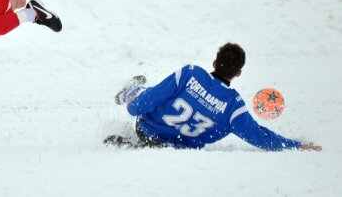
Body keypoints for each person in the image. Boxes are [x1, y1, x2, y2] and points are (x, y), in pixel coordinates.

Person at [107, 43, 321, 151]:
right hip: (175, 148)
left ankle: (130, 91)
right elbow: (260, 137)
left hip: (146, 131)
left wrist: (132, 107)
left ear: (213, 63)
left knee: (148, 93)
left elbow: (148, 102)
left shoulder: (190, 72)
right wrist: (298, 146)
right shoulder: (233, 107)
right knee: (157, 94)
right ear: (238, 74)